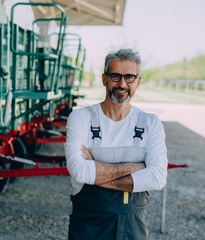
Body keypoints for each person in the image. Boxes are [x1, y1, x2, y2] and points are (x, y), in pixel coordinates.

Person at [65, 48, 168, 240]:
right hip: (89, 223)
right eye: (115, 76)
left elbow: (158, 178)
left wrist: (95, 172)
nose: (122, 84)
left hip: (133, 223)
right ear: (104, 79)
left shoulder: (150, 123)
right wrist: (135, 167)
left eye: (129, 77)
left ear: (138, 81)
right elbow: (79, 171)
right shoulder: (81, 118)